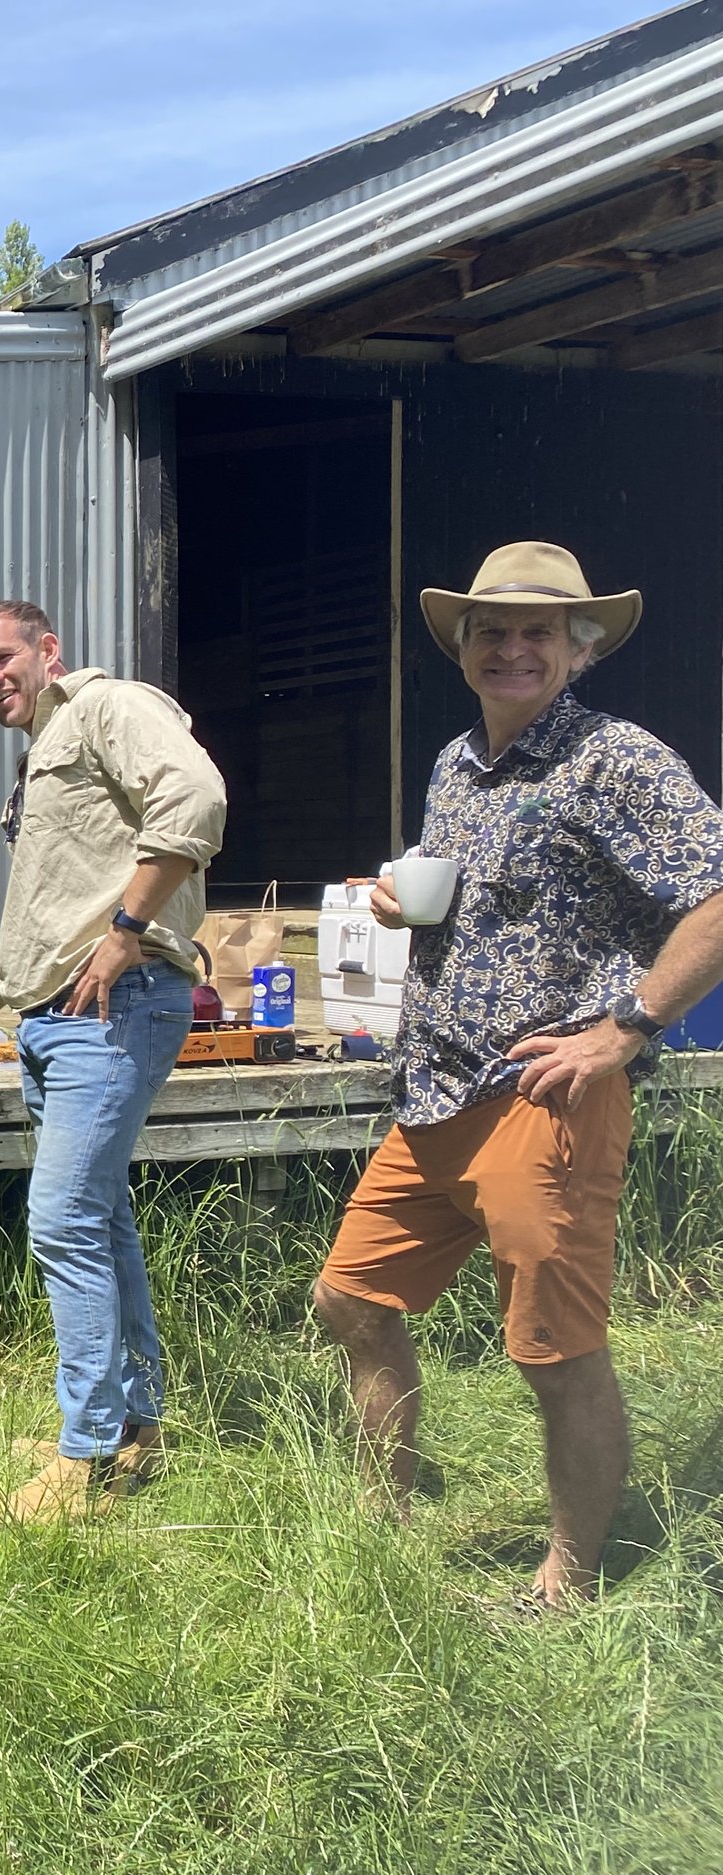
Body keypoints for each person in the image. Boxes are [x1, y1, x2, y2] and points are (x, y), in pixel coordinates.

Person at [310, 542, 723, 1611]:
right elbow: (477, 901)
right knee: (351, 1298)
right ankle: (382, 1523)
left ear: (579, 650)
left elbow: (717, 894)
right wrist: (402, 903)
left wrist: (626, 1027)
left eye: (538, 631)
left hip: (548, 1096)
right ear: (461, 649)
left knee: (551, 1349)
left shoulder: (615, 760)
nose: (511, 648)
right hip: (437, 1091)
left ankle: (567, 1585)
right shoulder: (458, 764)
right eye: (489, 630)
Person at [0, 599, 226, 1525]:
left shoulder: (107, 707)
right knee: (101, 1220)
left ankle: (84, 1458)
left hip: (116, 1006)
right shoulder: (43, 754)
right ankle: (134, 1424)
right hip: (55, 1016)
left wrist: (129, 928)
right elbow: (47, 914)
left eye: (2, 658)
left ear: (48, 650)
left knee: (61, 1221)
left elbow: (196, 795)